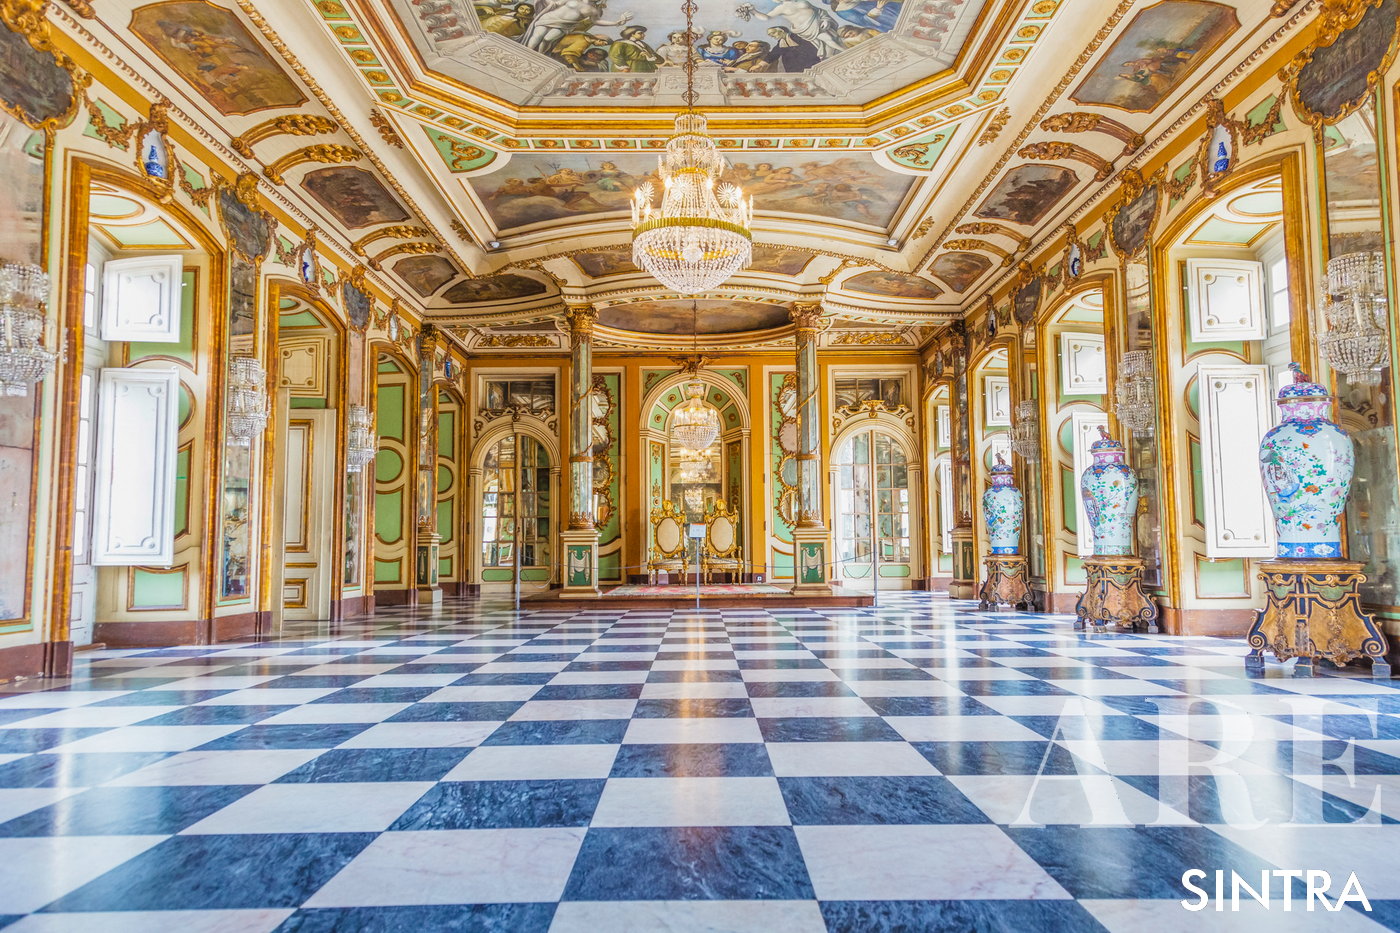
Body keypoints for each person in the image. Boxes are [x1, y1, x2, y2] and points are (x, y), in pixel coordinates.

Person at [734, 0, 845, 59]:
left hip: (818, 23)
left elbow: (819, 11)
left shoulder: (802, 1)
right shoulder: (781, 8)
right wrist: (753, 11)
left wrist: (825, 19)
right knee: (828, 39)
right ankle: (844, 52)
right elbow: (766, 17)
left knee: (830, 39)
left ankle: (842, 51)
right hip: (805, 29)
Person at [521, 0, 633, 53]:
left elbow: (596, 21)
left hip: (565, 25)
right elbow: (555, 4)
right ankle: (527, 52)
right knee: (537, 36)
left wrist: (617, 23)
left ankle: (540, 55)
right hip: (549, 18)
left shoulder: (595, 10)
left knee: (548, 39)